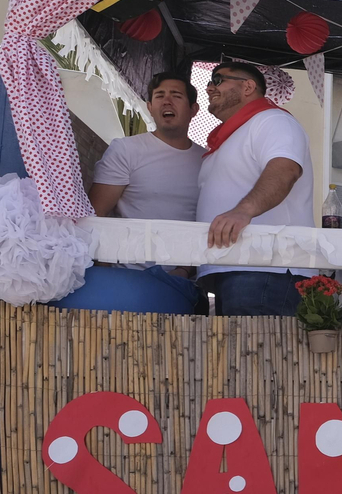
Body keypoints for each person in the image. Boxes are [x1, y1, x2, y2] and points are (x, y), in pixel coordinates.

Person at [196, 61, 316, 316]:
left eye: (218, 80)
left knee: (256, 354)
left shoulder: (272, 120)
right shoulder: (229, 137)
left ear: (248, 86)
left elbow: (285, 170)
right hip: (238, 267)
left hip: (267, 266)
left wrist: (243, 211)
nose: (208, 88)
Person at [91, 71, 205, 224]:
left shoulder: (207, 161)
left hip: (191, 247)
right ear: (150, 108)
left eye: (176, 96)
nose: (167, 102)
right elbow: (95, 214)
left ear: (194, 109)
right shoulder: (125, 149)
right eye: (159, 96)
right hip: (131, 247)